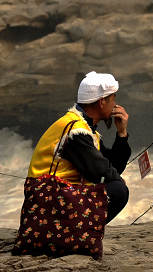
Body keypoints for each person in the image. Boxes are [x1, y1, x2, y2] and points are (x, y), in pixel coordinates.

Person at [26, 71, 131, 223]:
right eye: (113, 99)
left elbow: (112, 167)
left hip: (57, 199)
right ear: (102, 102)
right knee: (119, 191)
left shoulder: (83, 127)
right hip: (48, 203)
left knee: (116, 185)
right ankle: (79, 234)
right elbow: (99, 172)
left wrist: (122, 134)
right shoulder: (76, 131)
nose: (115, 105)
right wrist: (117, 179)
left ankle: (81, 233)